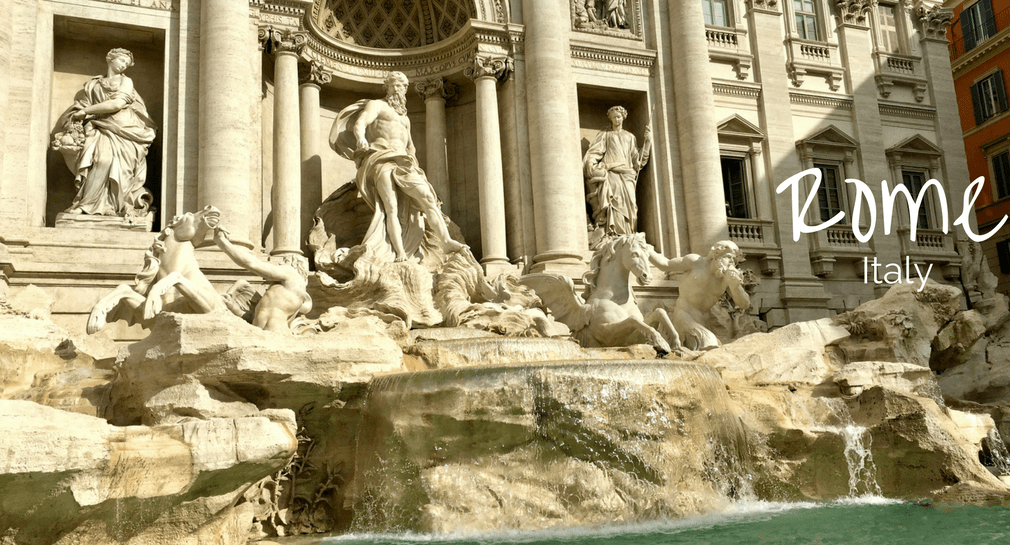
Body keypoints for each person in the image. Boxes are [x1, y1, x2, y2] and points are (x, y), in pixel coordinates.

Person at [329, 71, 465, 263]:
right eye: (395, 85)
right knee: (390, 207)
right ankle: (399, 252)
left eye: (402, 86)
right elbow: (360, 123)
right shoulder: (377, 105)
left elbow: (411, 147)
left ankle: (446, 240)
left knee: (428, 198)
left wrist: (416, 168)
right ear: (387, 87)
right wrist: (361, 139)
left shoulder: (405, 119)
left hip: (404, 162)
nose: (399, 89)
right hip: (381, 158)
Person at [55, 48, 157, 217]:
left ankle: (113, 206)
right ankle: (87, 204)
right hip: (98, 126)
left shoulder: (127, 82)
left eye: (126, 63)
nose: (123, 65)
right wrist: (79, 114)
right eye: (121, 60)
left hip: (124, 128)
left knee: (118, 166)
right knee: (100, 160)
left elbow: (116, 104)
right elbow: (81, 105)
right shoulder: (93, 84)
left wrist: (86, 111)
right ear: (110, 59)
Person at [648, 240, 751, 351]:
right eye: (728, 257)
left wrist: (735, 286)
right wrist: (646, 249)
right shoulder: (696, 262)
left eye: (734, 260)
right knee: (708, 343)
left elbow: (745, 304)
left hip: (705, 322)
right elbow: (665, 265)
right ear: (715, 255)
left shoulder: (727, 278)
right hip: (684, 315)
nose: (731, 263)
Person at [213, 225, 312, 334]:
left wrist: (222, 242)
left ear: (294, 263)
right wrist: (232, 307)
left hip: (275, 333)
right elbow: (253, 317)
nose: (279, 264)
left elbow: (252, 264)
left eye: (284, 261)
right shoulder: (282, 291)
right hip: (265, 333)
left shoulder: (291, 273)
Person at [582, 105, 651, 235]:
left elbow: (637, 160)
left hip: (627, 175)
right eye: (614, 118)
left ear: (623, 117)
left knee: (630, 206)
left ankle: (628, 233)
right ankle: (613, 233)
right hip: (612, 173)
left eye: (618, 117)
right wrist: (591, 165)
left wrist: (647, 142)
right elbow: (595, 152)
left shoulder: (630, 137)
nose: (617, 120)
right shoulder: (605, 135)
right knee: (615, 203)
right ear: (610, 119)